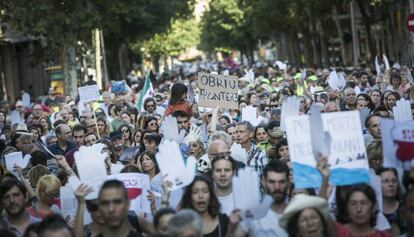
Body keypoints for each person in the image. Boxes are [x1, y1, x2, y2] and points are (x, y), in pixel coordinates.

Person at [231, 160, 289, 237]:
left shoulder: (297, 211)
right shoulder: (252, 212)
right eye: (272, 182)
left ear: (288, 182)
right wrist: (231, 226)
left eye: (281, 182)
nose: (277, 187)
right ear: (263, 182)